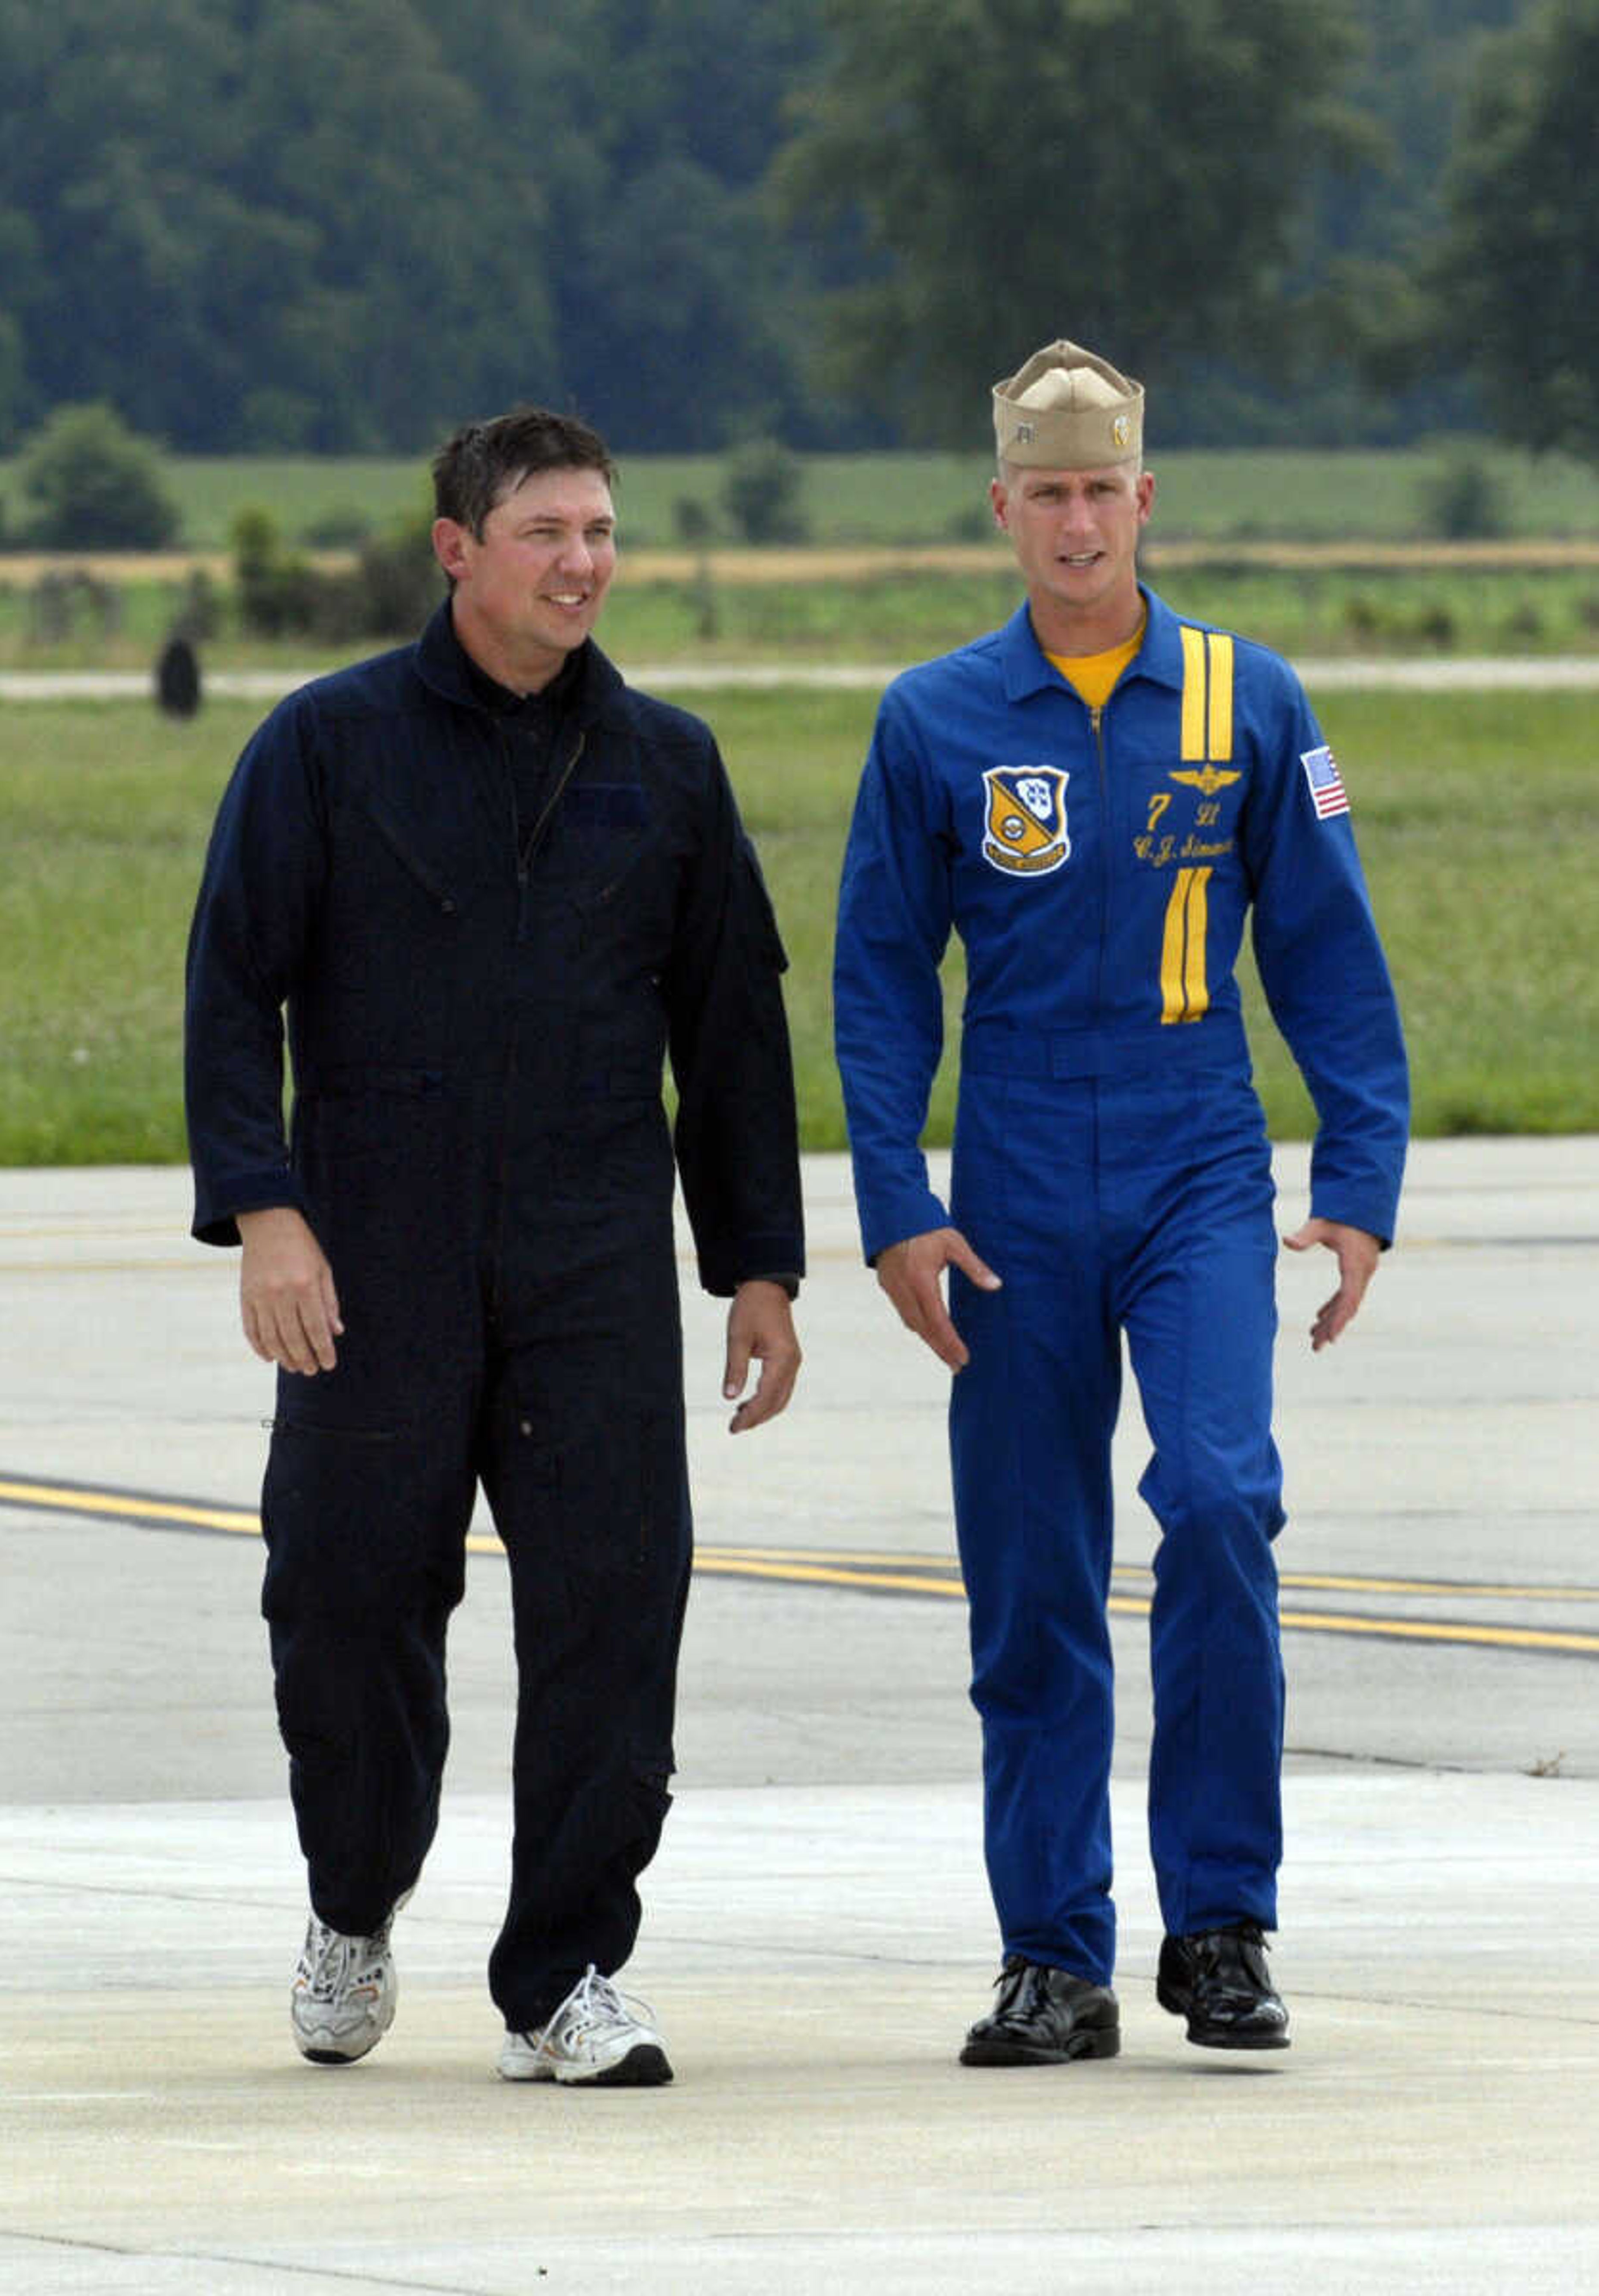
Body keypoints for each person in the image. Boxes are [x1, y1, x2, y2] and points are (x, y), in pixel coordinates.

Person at [185, 406, 804, 2086]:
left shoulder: (668, 769)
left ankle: (564, 1974)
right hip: (369, 1257)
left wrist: (757, 1263)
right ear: (458, 548)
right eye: (548, 533)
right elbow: (235, 989)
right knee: (345, 1598)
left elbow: (732, 1031)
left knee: (616, 1610)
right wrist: (267, 1212)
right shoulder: (325, 748)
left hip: (591, 1259)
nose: (584, 562)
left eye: (601, 532)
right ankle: (354, 1901)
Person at [833, 341, 1408, 2064]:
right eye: (1046, 492)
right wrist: (892, 1201)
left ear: (1146, 501)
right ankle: (1052, 1952)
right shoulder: (933, 718)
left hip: (1197, 1162)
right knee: (1032, 1568)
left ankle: (1221, 1923)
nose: (1077, 522)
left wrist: (1360, 1176)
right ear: (1000, 505)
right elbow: (877, 976)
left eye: (1104, 491)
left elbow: (1326, 949)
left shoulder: (1255, 701)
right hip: (1009, 1176)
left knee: (1223, 1502)